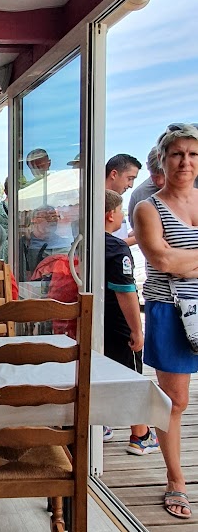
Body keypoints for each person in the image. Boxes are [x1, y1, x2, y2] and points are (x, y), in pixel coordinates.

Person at [134, 123, 198, 519]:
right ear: (163, 159)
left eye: (193, 154)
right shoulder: (148, 207)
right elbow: (161, 261)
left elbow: (178, 260)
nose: (185, 162)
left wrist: (184, 262)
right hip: (170, 309)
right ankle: (176, 480)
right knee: (176, 401)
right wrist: (178, 263)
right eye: (177, 154)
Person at [102, 189, 160, 455]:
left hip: (97, 321)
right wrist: (137, 330)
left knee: (99, 372)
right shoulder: (115, 247)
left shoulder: (83, 244)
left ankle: (100, 424)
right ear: (110, 214)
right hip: (117, 322)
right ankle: (141, 434)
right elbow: (125, 291)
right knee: (131, 375)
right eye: (122, 211)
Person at [105, 154, 142, 245]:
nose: (131, 185)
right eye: (130, 178)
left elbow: (117, 238)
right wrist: (143, 237)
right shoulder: (99, 203)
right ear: (114, 174)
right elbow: (106, 245)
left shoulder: (114, 201)